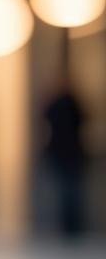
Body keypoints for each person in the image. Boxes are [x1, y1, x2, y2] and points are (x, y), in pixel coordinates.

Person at [43, 74, 88, 236]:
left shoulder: (70, 103)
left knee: (70, 192)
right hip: (64, 154)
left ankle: (71, 227)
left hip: (70, 154)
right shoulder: (66, 103)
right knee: (66, 191)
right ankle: (69, 226)